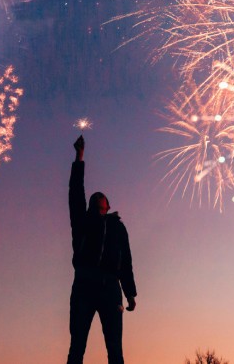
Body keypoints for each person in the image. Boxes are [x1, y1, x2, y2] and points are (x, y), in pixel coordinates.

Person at [67, 135, 137, 364]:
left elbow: (126, 261)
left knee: (115, 350)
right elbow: (75, 192)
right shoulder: (82, 222)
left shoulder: (117, 227)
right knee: (77, 346)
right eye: (94, 197)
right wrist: (79, 157)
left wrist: (130, 293)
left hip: (110, 287)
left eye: (102, 197)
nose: (98, 196)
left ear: (108, 205)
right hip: (85, 284)